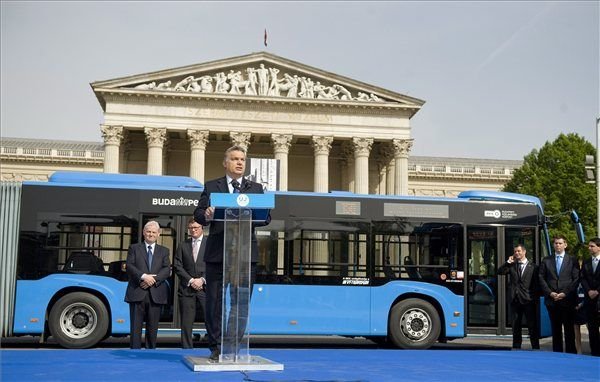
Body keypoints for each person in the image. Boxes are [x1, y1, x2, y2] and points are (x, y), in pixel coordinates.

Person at [194, 145, 270, 362]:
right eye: (235, 159)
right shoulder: (212, 186)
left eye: (242, 159)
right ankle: (216, 346)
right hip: (218, 254)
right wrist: (206, 214)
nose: (239, 163)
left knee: (240, 303)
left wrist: (261, 215)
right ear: (225, 163)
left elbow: (266, 217)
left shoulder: (255, 188)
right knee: (214, 303)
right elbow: (198, 214)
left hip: (245, 256)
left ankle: (233, 345)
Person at [124, 221, 171, 349]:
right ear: (144, 232)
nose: (151, 234)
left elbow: (167, 269)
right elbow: (129, 266)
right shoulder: (134, 248)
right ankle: (134, 351)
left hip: (156, 293)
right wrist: (144, 277)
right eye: (148, 231)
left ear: (158, 234)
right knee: (135, 326)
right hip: (137, 291)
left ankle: (151, 351)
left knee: (153, 326)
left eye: (154, 232)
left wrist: (153, 280)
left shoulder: (164, 251)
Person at [539, 235, 580, 353]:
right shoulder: (546, 260)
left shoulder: (572, 260)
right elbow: (541, 278)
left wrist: (564, 293)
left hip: (567, 300)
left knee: (569, 330)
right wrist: (550, 293)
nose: (558, 245)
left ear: (565, 245)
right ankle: (557, 354)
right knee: (555, 330)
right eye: (556, 243)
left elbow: (576, 279)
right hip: (552, 300)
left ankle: (571, 354)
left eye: (560, 243)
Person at [497, 244, 540, 350]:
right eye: (515, 251)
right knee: (516, 325)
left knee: (532, 325)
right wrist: (508, 262)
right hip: (514, 300)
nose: (517, 253)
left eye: (519, 251)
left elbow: (536, 284)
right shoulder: (512, 265)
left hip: (528, 300)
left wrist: (533, 297)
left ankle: (535, 346)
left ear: (524, 252)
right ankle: (516, 346)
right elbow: (500, 272)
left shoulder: (533, 267)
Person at [173, 217, 207, 349]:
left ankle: (214, 348)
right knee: (186, 322)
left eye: (196, 228)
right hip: (187, 289)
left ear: (202, 228)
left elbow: (215, 266)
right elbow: (177, 266)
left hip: (205, 289)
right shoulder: (183, 245)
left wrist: (202, 280)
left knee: (210, 320)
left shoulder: (210, 244)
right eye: (191, 228)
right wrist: (191, 280)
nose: (193, 230)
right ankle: (186, 348)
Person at [581, 237, 600, 356]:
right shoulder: (586, 262)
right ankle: (594, 352)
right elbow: (582, 278)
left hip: (599, 298)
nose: (589, 248)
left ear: (599, 247)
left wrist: (597, 291)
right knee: (592, 329)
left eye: (592, 246)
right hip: (590, 300)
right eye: (589, 246)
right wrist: (588, 291)